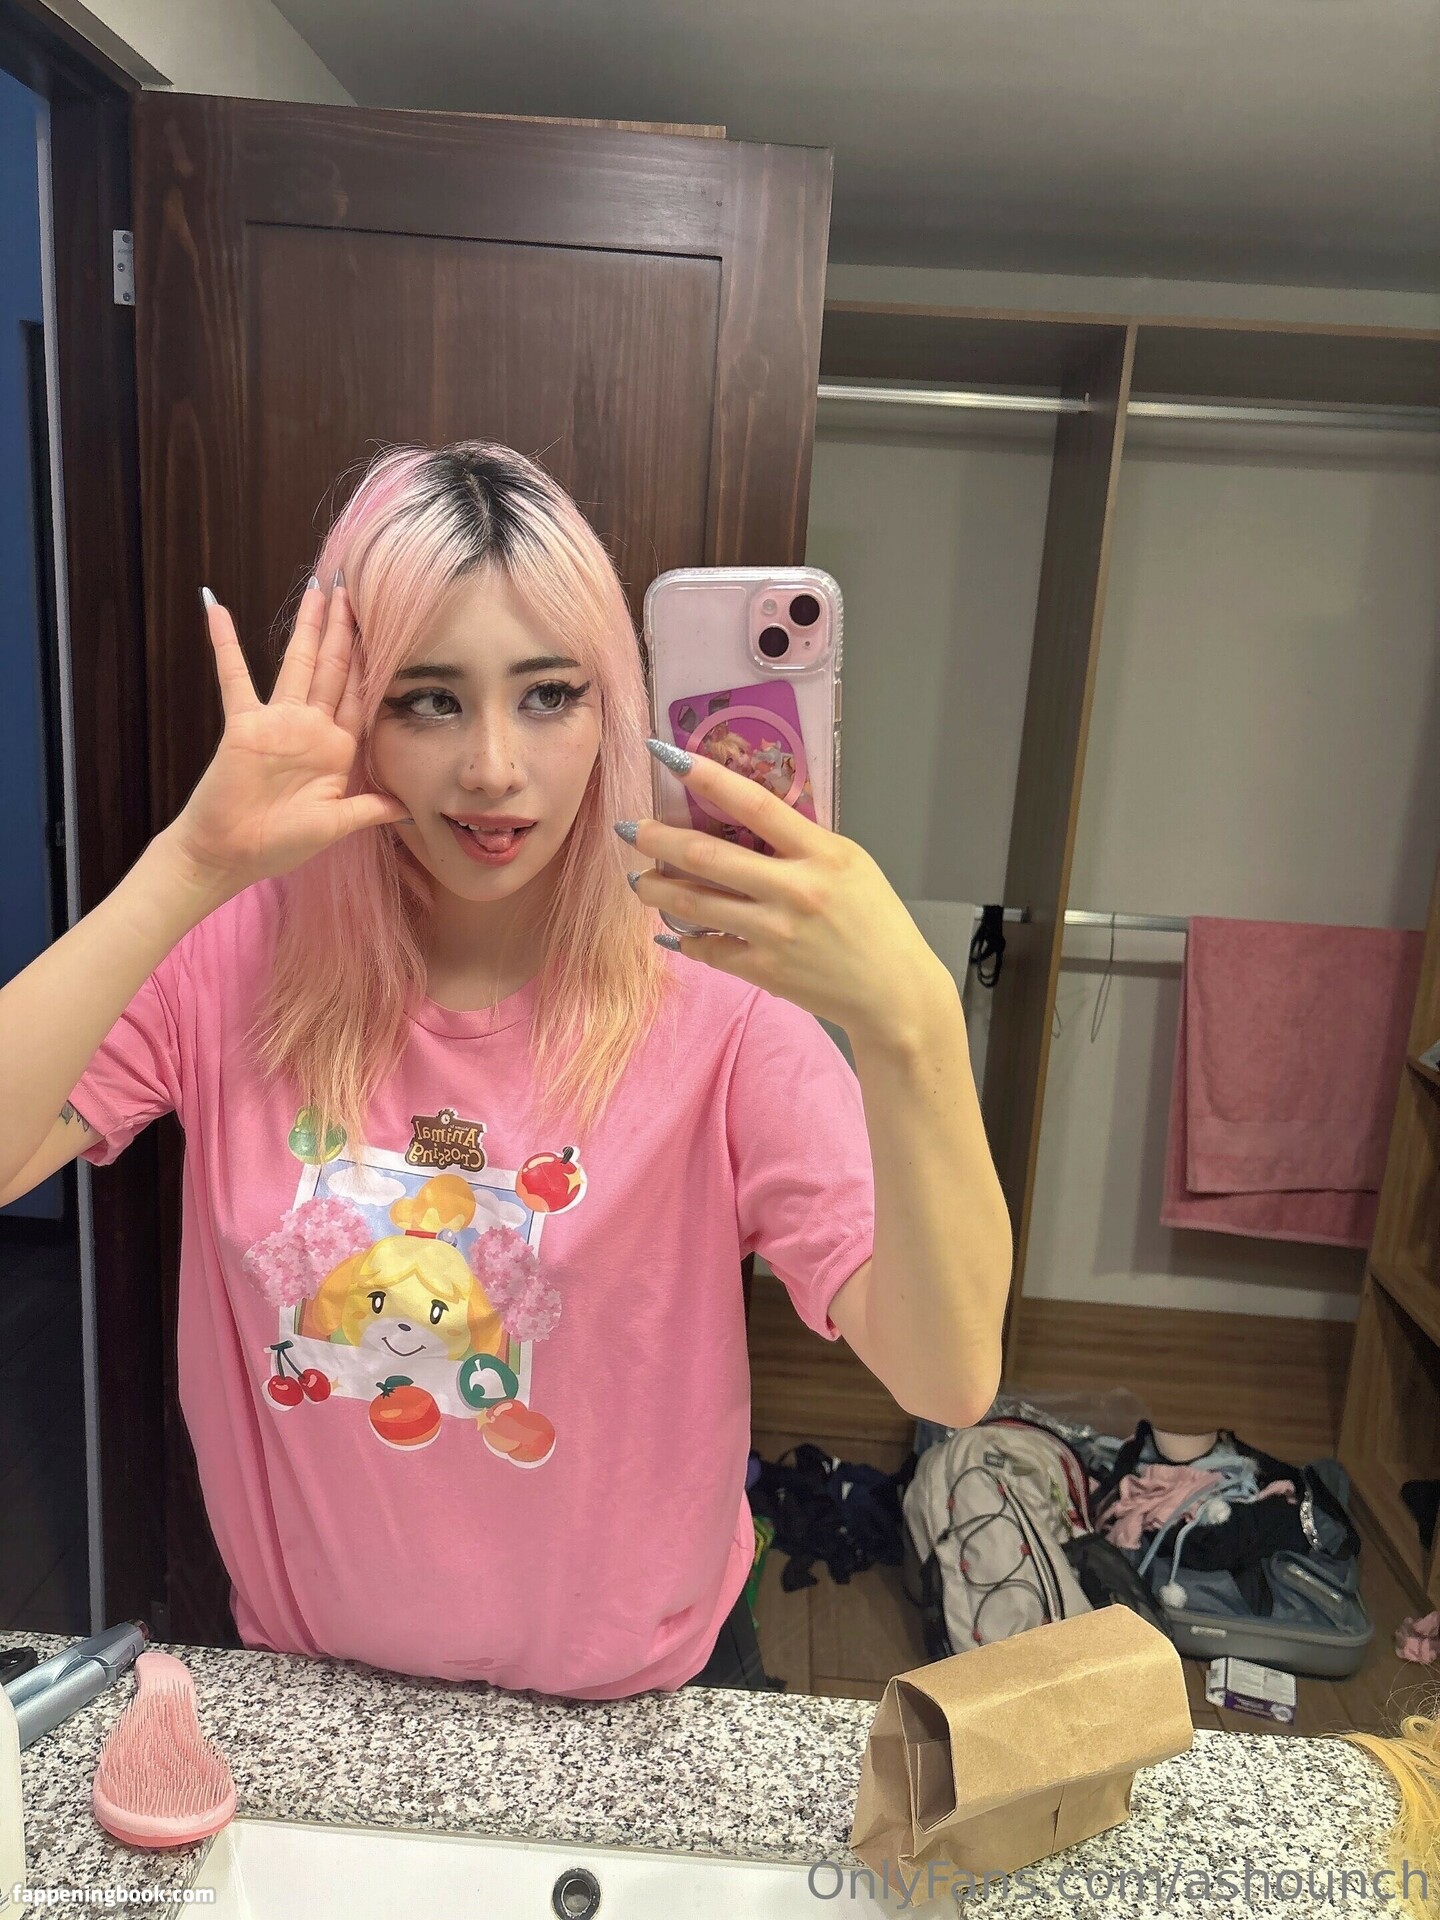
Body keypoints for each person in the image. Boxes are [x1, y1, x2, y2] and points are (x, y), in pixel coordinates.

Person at [0, 441, 1010, 1700]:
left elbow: (948, 1372)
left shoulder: (720, 996)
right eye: (428, 700)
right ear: (360, 718)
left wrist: (914, 1022)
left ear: (612, 710)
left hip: (643, 1710)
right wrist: (189, 869)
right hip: (318, 1699)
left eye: (549, 695)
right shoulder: (232, 961)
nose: (492, 767)